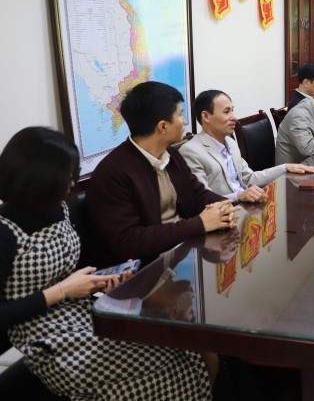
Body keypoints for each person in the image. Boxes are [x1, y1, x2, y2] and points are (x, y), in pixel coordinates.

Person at [0, 127, 215, 399]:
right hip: (45, 335)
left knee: (183, 350)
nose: (71, 185)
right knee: (158, 368)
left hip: (83, 312)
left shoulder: (59, 208)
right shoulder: (5, 232)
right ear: (38, 181)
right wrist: (63, 291)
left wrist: (99, 280)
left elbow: (71, 271)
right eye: (65, 179)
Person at [87, 81, 239, 267]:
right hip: (148, 269)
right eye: (180, 115)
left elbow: (197, 193)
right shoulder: (112, 174)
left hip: (184, 254)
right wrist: (199, 223)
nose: (184, 121)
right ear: (163, 127)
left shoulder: (171, 155)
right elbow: (129, 241)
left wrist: (223, 206)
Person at [179, 90, 314, 203]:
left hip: (247, 207)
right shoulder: (191, 151)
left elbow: (249, 178)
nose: (233, 117)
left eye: (232, 110)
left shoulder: (230, 142)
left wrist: (285, 167)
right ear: (206, 116)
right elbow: (202, 201)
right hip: (225, 215)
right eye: (226, 112)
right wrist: (238, 196)